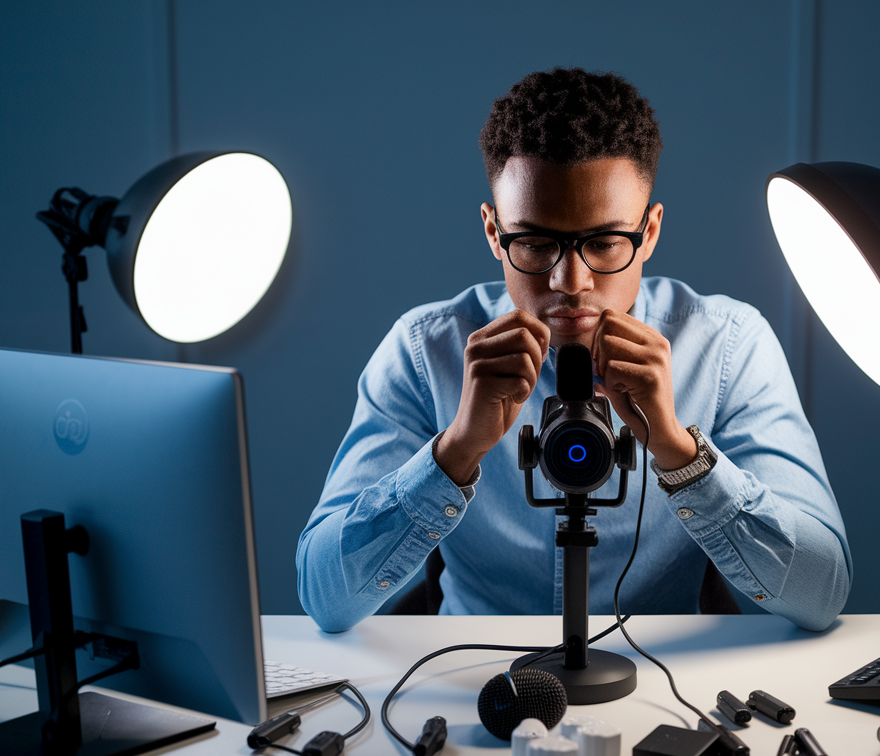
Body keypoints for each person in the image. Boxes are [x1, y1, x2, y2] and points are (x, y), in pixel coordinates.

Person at [297, 68, 850, 632]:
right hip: (474, 679)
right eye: (535, 243)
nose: (570, 281)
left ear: (649, 232)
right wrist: (455, 452)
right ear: (494, 232)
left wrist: (681, 453)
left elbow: (822, 591)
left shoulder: (728, 345)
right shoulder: (424, 351)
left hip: (664, 679)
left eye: (605, 242)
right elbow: (323, 597)